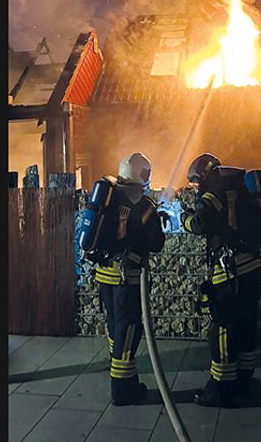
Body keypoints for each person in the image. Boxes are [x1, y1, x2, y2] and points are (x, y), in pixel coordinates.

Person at [179, 153, 261, 407]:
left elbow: (199, 224)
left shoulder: (213, 194)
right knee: (246, 325)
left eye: (196, 182)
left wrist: (183, 217)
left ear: (204, 175)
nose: (196, 187)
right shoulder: (238, 187)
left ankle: (220, 389)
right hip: (251, 267)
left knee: (222, 327)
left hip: (230, 271)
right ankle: (243, 380)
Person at [80, 152, 165, 405]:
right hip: (127, 279)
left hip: (106, 276)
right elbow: (157, 243)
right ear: (143, 174)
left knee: (115, 327)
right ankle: (121, 390)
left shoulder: (111, 195)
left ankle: (125, 379)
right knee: (129, 330)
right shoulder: (145, 204)